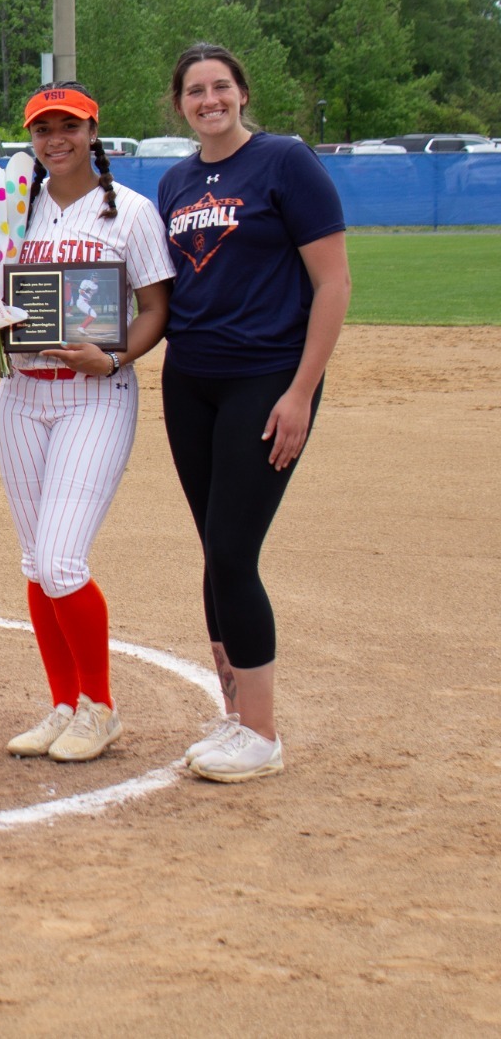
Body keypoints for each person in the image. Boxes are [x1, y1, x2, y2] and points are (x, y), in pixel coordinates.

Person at [156, 43, 350, 782]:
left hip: (265, 378)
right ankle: (234, 713)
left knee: (235, 551)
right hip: (191, 379)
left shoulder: (285, 161)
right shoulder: (176, 180)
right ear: (179, 104)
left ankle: (262, 733)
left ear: (241, 92)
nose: (210, 99)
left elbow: (332, 284)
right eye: (195, 91)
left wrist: (300, 391)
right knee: (213, 548)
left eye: (221, 86)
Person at [0, 84, 174, 763]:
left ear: (93, 130)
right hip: (20, 394)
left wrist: (118, 352)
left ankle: (99, 707)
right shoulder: (12, 209)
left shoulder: (130, 212)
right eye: (43, 128)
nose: (55, 139)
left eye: (69, 125)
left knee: (62, 559)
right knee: (35, 564)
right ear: (30, 140)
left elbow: (156, 306)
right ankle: (64, 702)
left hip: (95, 393)